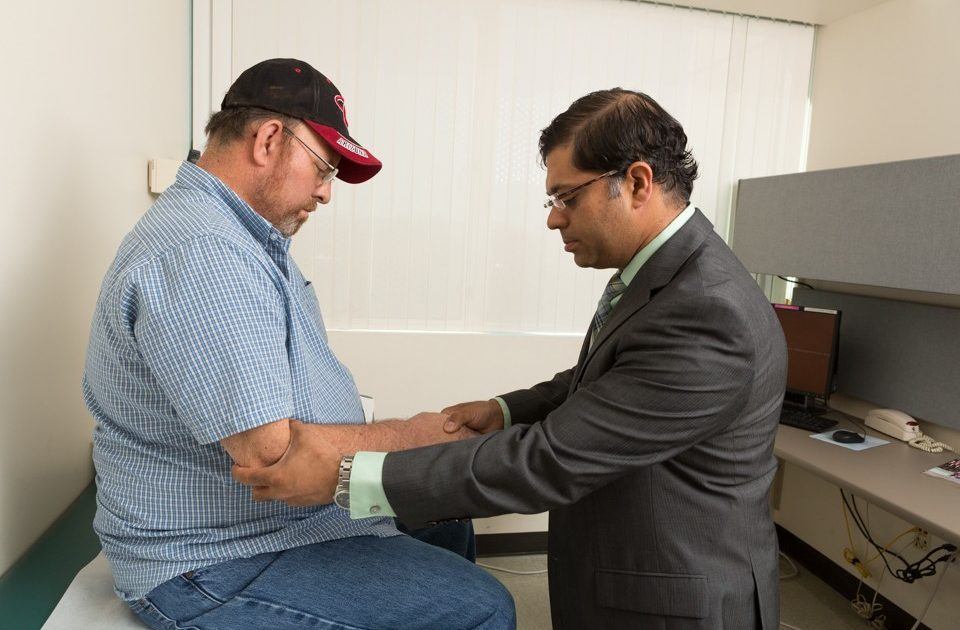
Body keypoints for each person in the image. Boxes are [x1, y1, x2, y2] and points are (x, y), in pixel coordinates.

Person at [235, 88, 789, 630]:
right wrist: (505, 410)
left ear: (638, 182)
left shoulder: (709, 312)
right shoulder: (668, 273)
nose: (553, 219)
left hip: (673, 598)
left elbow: (549, 462)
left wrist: (345, 475)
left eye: (566, 197)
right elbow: (610, 378)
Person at [83, 58, 515, 630]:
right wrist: (419, 434)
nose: (326, 193)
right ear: (267, 139)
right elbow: (274, 457)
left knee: (445, 517)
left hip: (274, 527)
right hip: (210, 563)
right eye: (323, 168)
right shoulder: (202, 253)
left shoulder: (246, 240)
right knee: (484, 607)